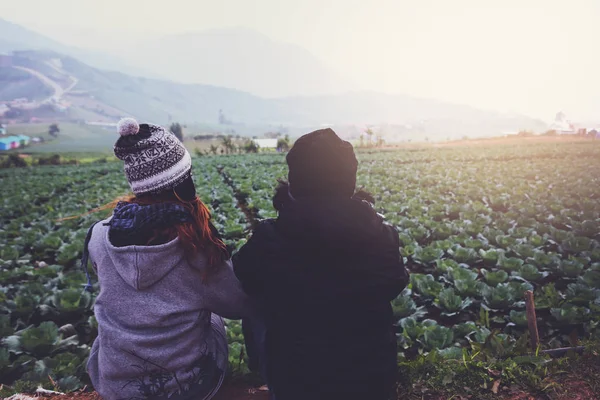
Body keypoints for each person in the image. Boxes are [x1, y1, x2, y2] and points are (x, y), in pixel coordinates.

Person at [233, 128, 410, 400]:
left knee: (254, 302)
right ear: (350, 183)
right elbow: (397, 280)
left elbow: (243, 275)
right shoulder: (381, 235)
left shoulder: (268, 239)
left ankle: (262, 375)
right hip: (370, 377)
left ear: (293, 184)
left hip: (296, 379)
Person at [85, 118, 253, 400]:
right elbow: (238, 305)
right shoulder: (194, 246)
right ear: (184, 183)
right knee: (214, 320)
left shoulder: (99, 237)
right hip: (187, 390)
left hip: (115, 388)